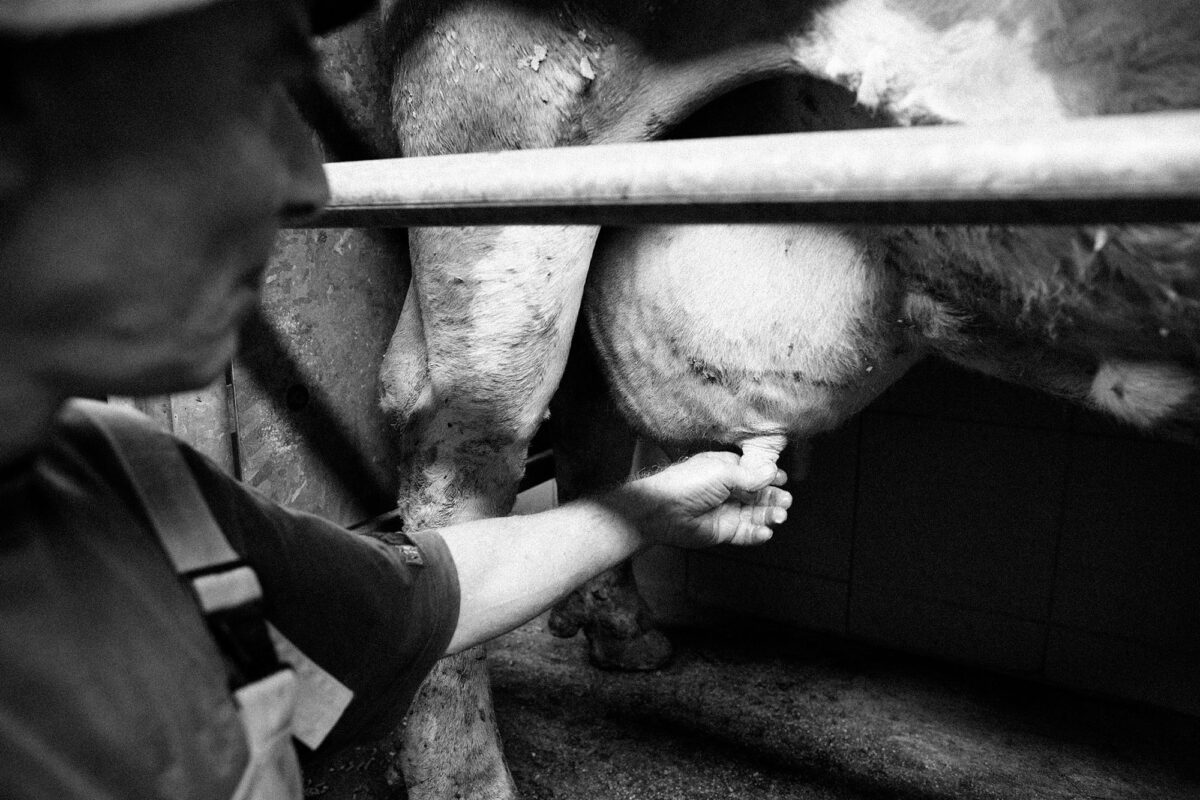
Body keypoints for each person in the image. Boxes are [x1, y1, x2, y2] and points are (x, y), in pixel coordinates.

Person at [0, 0, 793, 798]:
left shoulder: (136, 483)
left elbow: (421, 599)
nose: (307, 184)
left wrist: (652, 507)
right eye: (248, 86)